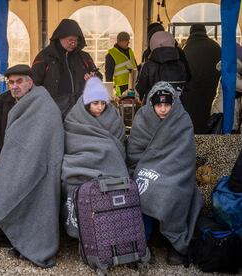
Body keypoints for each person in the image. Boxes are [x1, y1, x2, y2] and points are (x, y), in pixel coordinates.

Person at [0, 64, 64, 268]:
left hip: (38, 167)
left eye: (19, 81)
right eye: (10, 82)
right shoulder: (8, 100)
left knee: (17, 187)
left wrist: (25, 165)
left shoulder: (43, 103)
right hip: (12, 163)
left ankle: (19, 237)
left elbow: (45, 138)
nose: (14, 86)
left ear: (30, 83)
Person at [127, 81, 203, 265]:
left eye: (167, 105)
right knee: (142, 190)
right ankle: (142, 242)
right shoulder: (142, 119)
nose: (162, 109)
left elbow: (185, 156)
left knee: (173, 191)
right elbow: (134, 153)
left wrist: (167, 172)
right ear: (151, 105)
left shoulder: (182, 120)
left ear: (174, 104)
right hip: (146, 169)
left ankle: (174, 243)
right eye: (158, 105)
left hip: (175, 172)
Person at [60, 77, 127, 238]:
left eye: (103, 103)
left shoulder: (114, 119)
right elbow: (71, 144)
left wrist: (106, 151)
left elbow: (118, 147)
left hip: (110, 166)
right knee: (72, 184)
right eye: (95, 103)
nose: (100, 107)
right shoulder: (74, 119)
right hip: (80, 164)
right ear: (86, 102)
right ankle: (83, 233)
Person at [31, 18, 101, 117]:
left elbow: (97, 75)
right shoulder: (45, 57)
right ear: (59, 38)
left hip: (80, 107)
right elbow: (33, 82)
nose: (73, 44)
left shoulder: (84, 57)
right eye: (70, 40)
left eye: (76, 40)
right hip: (53, 109)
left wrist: (94, 77)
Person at [182, 24, 221, 134]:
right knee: (211, 125)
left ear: (191, 33)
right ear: (205, 31)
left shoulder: (186, 49)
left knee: (195, 126)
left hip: (192, 95)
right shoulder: (215, 46)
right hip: (212, 92)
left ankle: (197, 148)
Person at [135, 31, 187, 103]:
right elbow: (185, 86)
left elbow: (140, 88)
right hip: (175, 107)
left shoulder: (148, 65)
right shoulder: (180, 65)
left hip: (153, 107)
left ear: (153, 44)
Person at [211, 45, 242, 133]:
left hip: (223, 111)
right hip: (222, 113)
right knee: (222, 140)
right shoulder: (229, 73)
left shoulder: (230, 71)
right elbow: (239, 85)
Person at [105, 31, 137, 97]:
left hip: (132, 85)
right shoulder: (111, 54)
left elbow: (135, 66)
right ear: (120, 41)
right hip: (120, 87)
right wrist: (110, 91)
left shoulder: (130, 51)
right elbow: (108, 74)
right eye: (126, 40)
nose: (128, 42)